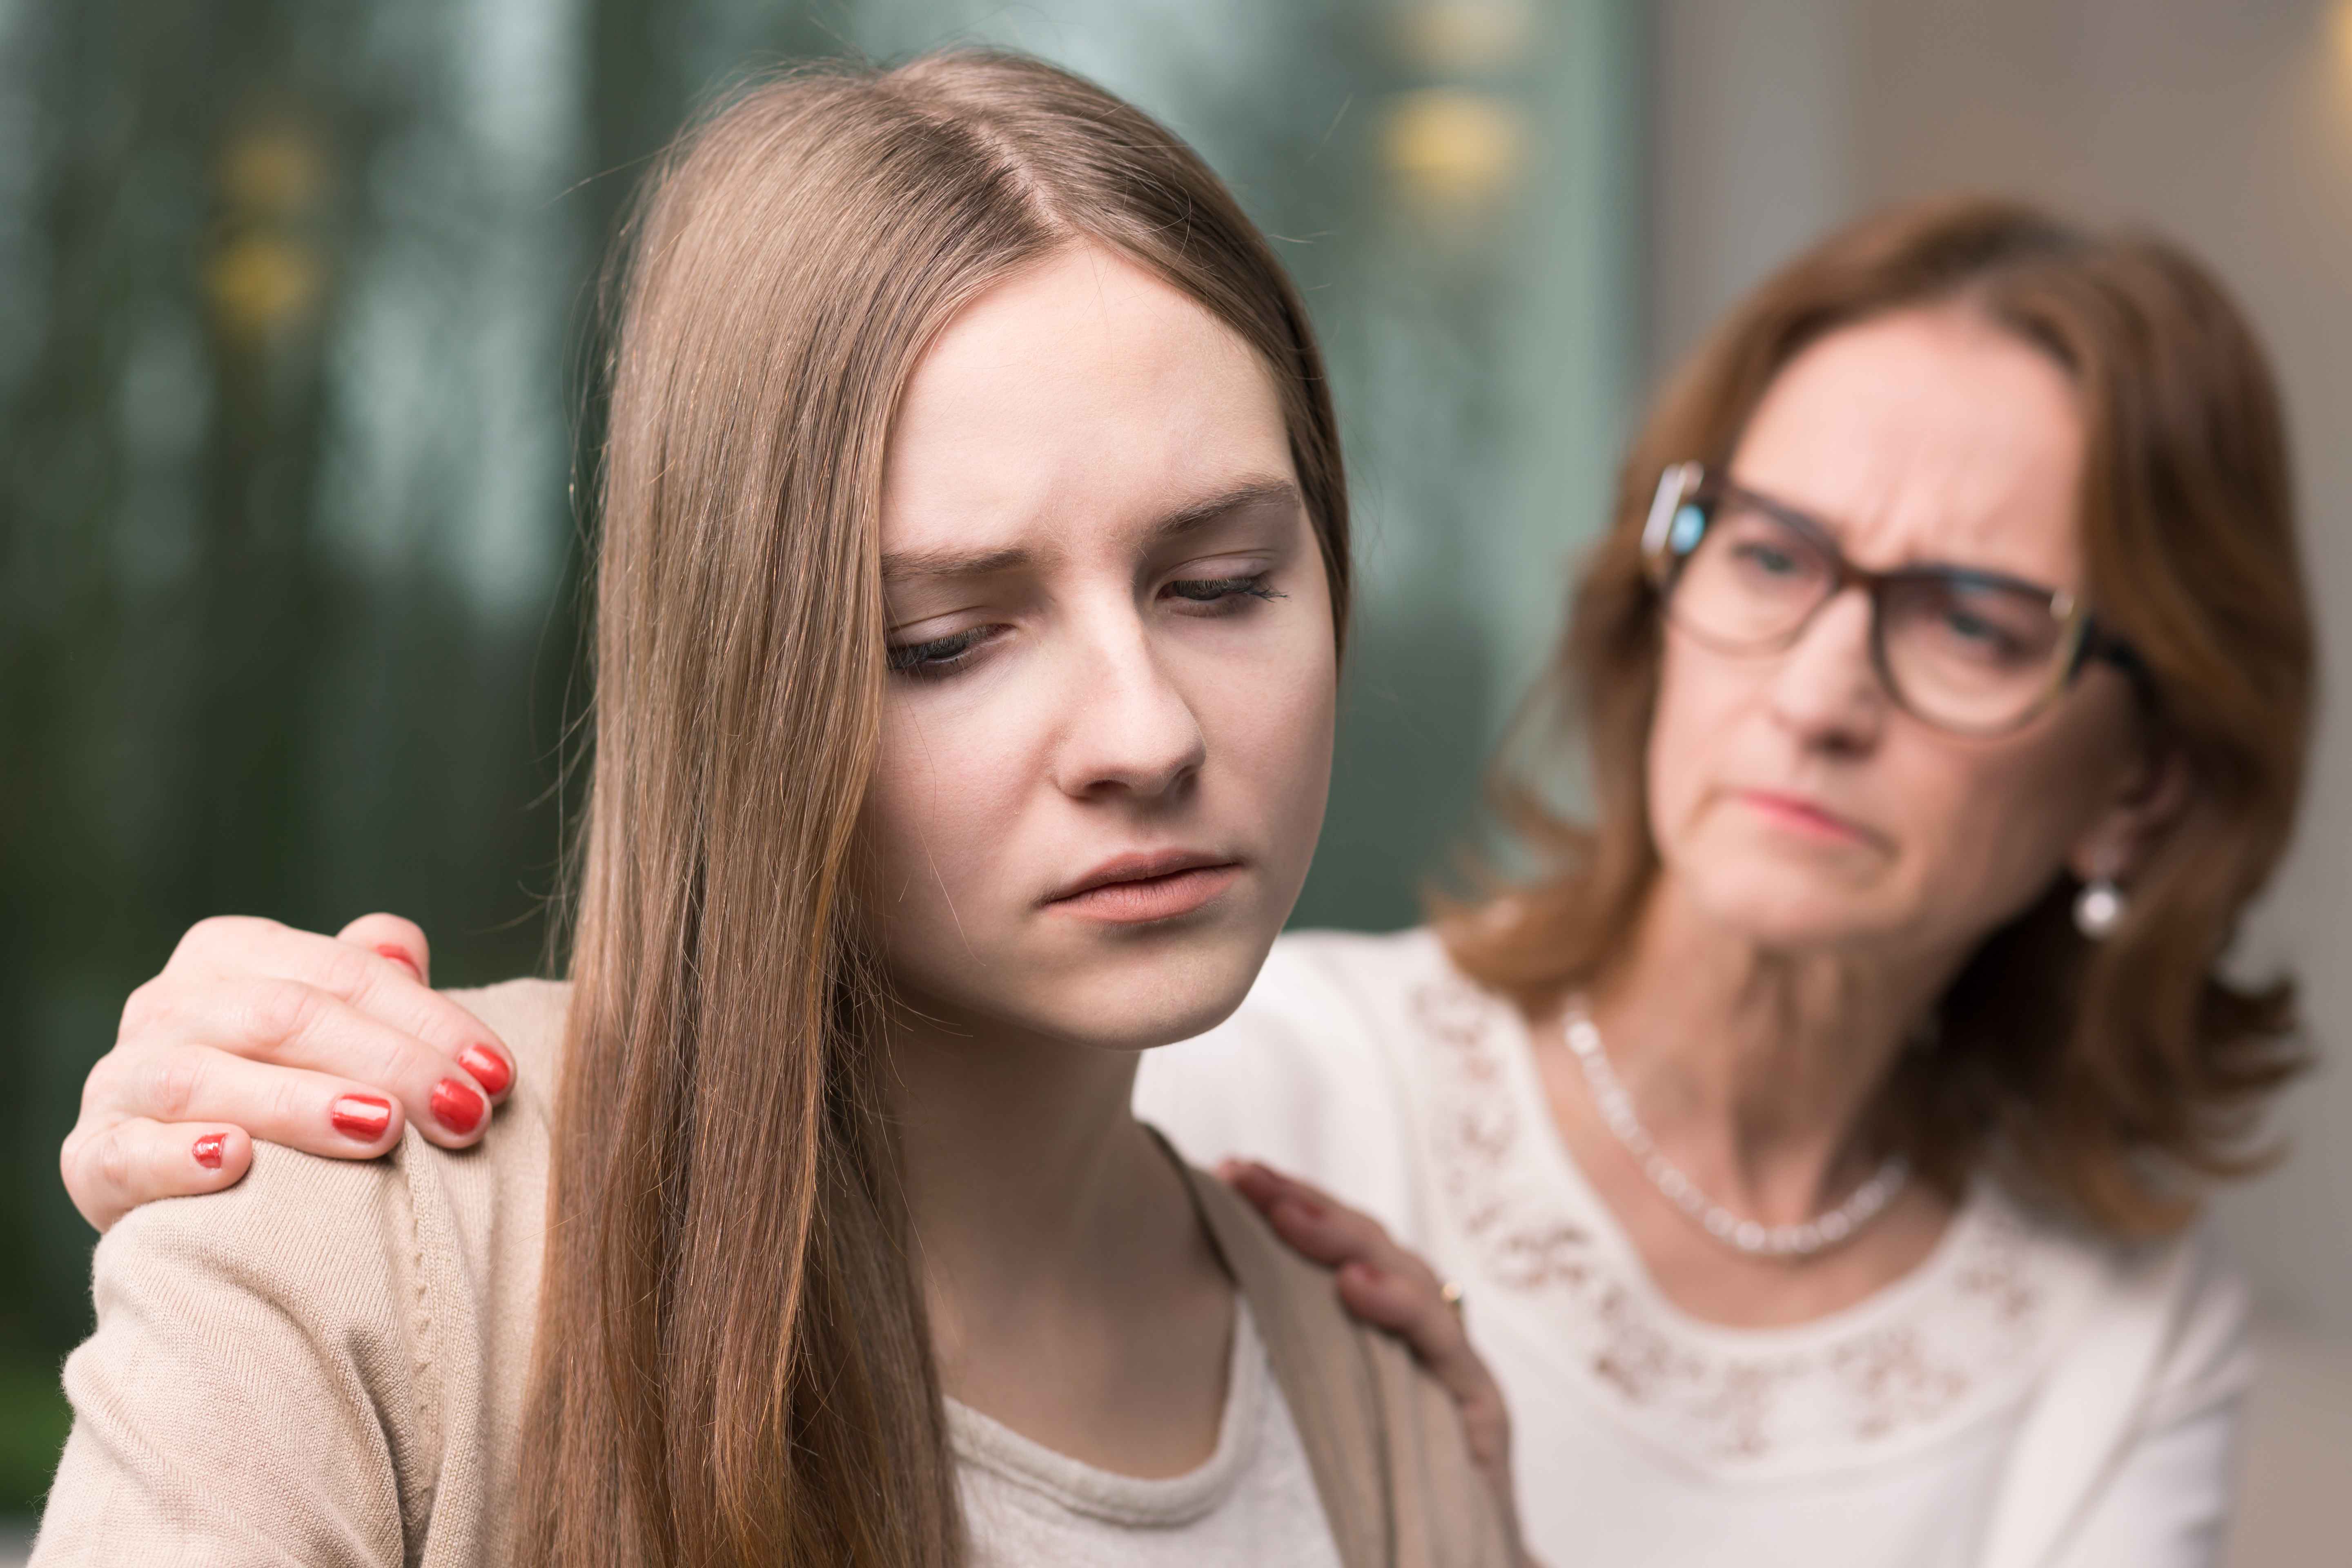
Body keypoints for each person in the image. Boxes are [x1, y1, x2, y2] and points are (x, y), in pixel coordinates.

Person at [63, 197, 2312, 1568]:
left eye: (1976, 620)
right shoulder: (1255, 1036)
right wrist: (257, 1146)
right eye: (1782, 556)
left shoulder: (2107, 1348)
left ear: (2142, 788)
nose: (1823, 685)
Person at [34, 50, 1519, 1568]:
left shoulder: (1378, 1398)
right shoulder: (363, 1253)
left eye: (1220, 587)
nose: (1147, 732)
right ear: (742, 684)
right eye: (945, 641)